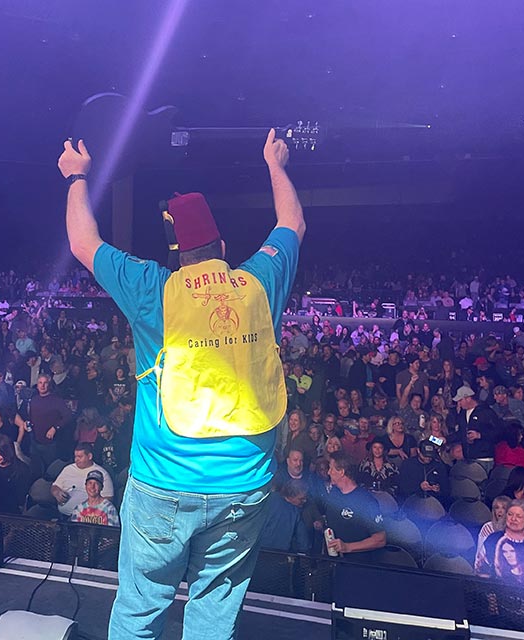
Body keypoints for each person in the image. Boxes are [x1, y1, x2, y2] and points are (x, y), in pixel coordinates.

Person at [59, 128, 303, 639]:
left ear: (176, 255)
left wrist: (78, 176)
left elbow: (83, 242)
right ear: (222, 247)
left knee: (140, 610)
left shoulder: (154, 288)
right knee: (214, 615)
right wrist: (275, 164)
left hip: (163, 487)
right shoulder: (259, 282)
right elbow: (292, 223)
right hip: (245, 489)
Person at [322, 452, 386, 560]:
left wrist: (347, 547)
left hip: (359, 565)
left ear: (341, 472)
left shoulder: (365, 501)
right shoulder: (333, 493)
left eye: (331, 469)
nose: (328, 472)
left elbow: (380, 539)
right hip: (335, 562)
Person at [51, 443, 115, 517]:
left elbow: (109, 499)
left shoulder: (101, 473)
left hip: (88, 518)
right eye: (75, 456)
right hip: (64, 516)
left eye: (80, 457)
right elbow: (54, 486)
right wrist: (57, 493)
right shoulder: (68, 469)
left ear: (89, 456)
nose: (76, 459)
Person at [452, 385, 503, 473]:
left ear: (468, 398)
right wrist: (446, 439)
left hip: (483, 459)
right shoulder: (462, 414)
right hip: (468, 458)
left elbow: (499, 432)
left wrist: (480, 435)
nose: (459, 404)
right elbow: (461, 433)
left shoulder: (486, 412)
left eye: (460, 400)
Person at [258, 479, 311, 553]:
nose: (305, 501)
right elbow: (302, 540)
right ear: (291, 496)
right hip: (280, 555)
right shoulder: (295, 512)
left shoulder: (268, 499)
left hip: (258, 550)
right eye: (301, 499)